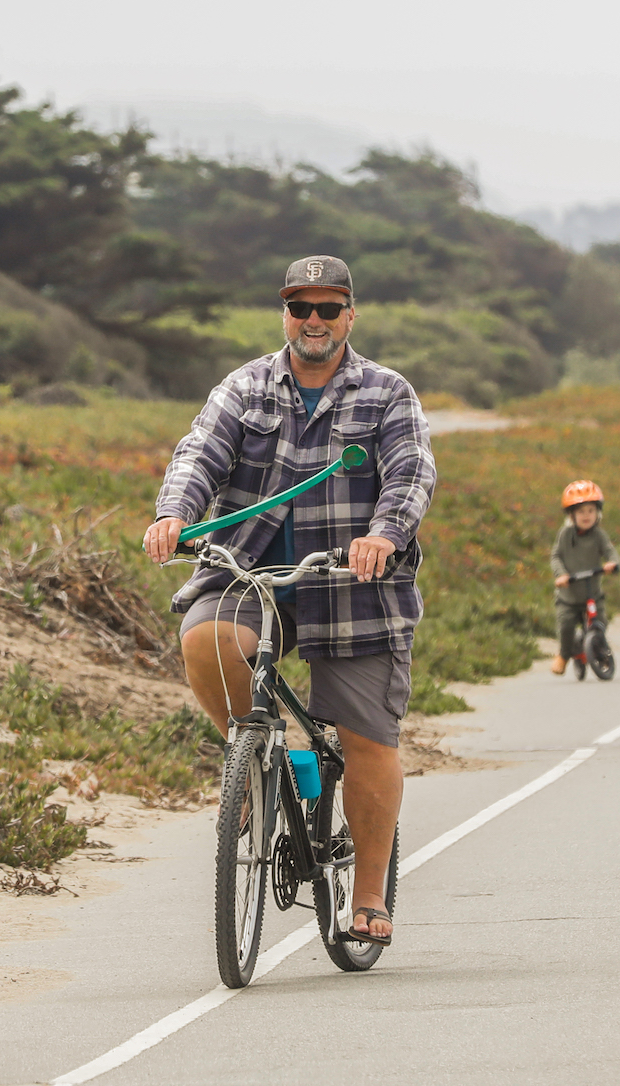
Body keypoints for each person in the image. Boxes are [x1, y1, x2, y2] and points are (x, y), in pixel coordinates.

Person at [144, 255, 434, 948]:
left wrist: (384, 536)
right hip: (251, 568)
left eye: (327, 308)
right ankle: (260, 762)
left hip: (353, 581)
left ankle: (367, 894)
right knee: (205, 640)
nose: (312, 320)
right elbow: (197, 454)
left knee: (367, 739)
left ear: (349, 316)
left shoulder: (387, 392)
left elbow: (412, 473)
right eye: (299, 307)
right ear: (285, 314)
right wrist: (173, 514)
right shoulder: (243, 387)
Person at [550, 480, 620, 675]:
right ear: (571, 515)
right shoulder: (565, 535)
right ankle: (564, 656)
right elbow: (556, 557)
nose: (586, 516)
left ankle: (596, 647)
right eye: (581, 512)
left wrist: (612, 563)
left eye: (590, 511)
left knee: (600, 622)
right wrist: (561, 575)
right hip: (569, 597)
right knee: (566, 625)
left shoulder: (599, 535)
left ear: (597, 513)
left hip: (593, 594)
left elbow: (610, 551)